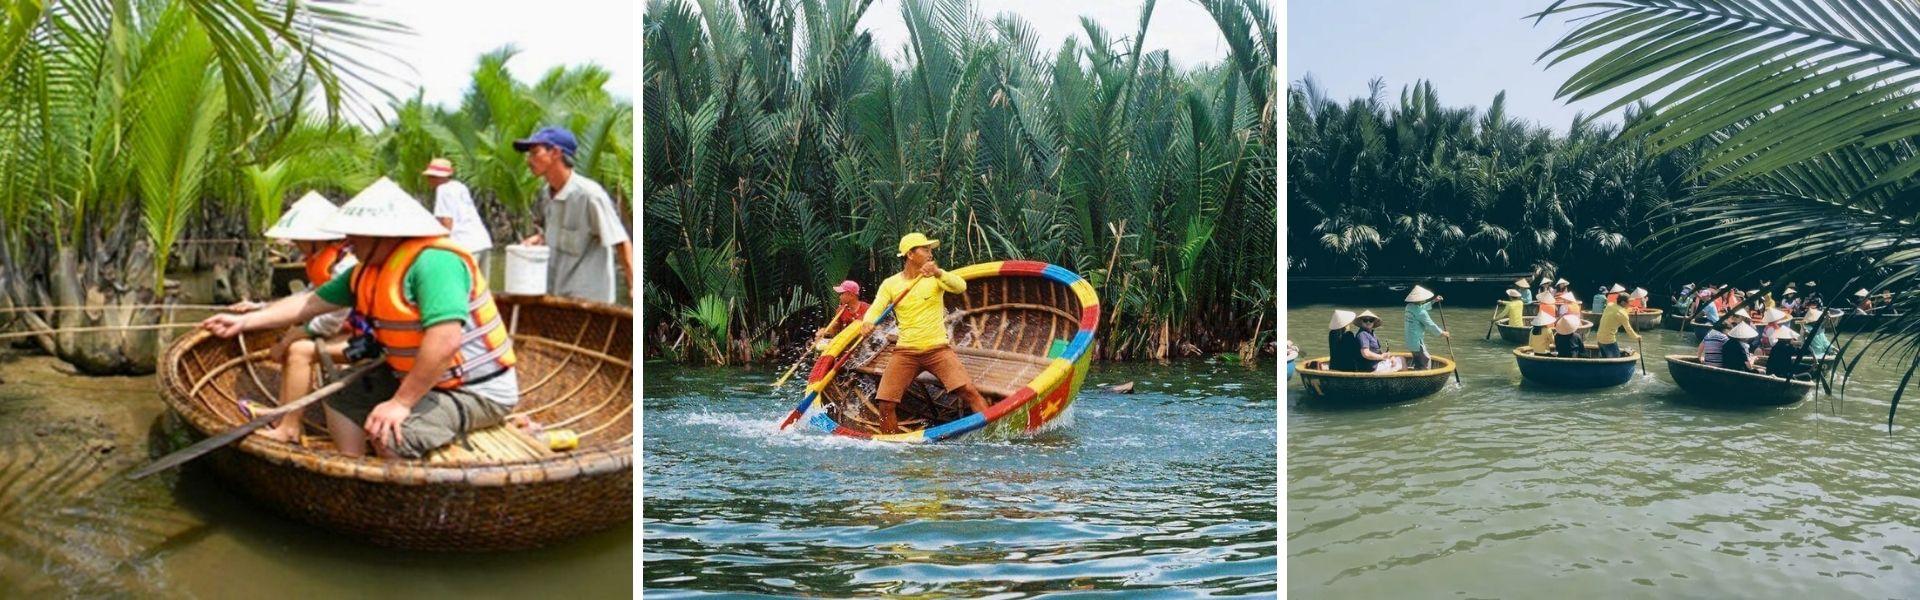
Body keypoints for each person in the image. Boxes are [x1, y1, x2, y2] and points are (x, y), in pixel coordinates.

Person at [198, 178, 520, 458]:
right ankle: (356, 468)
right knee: (339, 397)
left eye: (357, 233)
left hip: (475, 389)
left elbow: (445, 340)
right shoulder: (365, 271)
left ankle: (397, 495)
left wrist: (401, 403)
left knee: (392, 433)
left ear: (388, 234)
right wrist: (245, 321)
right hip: (423, 379)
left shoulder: (434, 263)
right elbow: (309, 303)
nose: (348, 241)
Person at [231, 192, 359, 443]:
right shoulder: (330, 260)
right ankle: (282, 413)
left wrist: (289, 338)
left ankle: (289, 427)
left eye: (300, 239)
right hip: (349, 329)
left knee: (299, 350)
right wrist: (261, 308)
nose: (297, 245)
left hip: (364, 336)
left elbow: (331, 319)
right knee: (294, 342)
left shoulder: (346, 264)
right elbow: (310, 297)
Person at [857, 233, 990, 434]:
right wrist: (867, 322)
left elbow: (960, 286)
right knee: (886, 403)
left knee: (969, 391)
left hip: (937, 349)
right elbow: (876, 308)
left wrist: (938, 272)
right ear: (910, 254)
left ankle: (990, 430)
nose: (930, 253)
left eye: (930, 250)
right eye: (925, 249)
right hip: (905, 352)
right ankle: (891, 447)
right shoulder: (891, 284)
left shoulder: (936, 277)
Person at [514, 126, 634, 304]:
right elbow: (557, 233)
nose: (529, 160)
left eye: (534, 153)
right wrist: (540, 239)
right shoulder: (546, 195)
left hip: (589, 302)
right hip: (556, 296)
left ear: (555, 152)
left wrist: (633, 285)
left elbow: (620, 241)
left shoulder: (590, 196)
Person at [422, 158, 494, 270]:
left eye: (430, 177)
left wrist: (440, 246)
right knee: (482, 285)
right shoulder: (459, 186)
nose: (428, 180)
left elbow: (447, 221)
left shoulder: (443, 190)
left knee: (466, 284)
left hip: (465, 244)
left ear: (435, 177)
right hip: (482, 241)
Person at [1402, 285, 1449, 369]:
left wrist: (1434, 301)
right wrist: (1442, 333)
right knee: (1426, 360)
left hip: (1409, 341)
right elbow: (1431, 325)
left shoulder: (1409, 307)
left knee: (1419, 361)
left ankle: (1417, 371)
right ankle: (1423, 379)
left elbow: (1421, 308)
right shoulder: (1422, 313)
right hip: (1416, 342)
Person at [814, 280, 871, 349]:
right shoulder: (840, 310)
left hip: (865, 343)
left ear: (851, 295)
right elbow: (834, 328)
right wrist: (824, 331)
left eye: (841, 294)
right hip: (848, 344)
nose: (839, 297)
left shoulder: (867, 308)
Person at [1595, 293, 1641, 358]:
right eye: (1629, 302)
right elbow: (1629, 330)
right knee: (1616, 360)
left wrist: (1631, 310)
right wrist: (1637, 337)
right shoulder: (1623, 314)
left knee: (1605, 360)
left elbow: (1617, 311)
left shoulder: (1609, 305)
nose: (1630, 304)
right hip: (1608, 341)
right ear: (1623, 302)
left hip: (1599, 338)